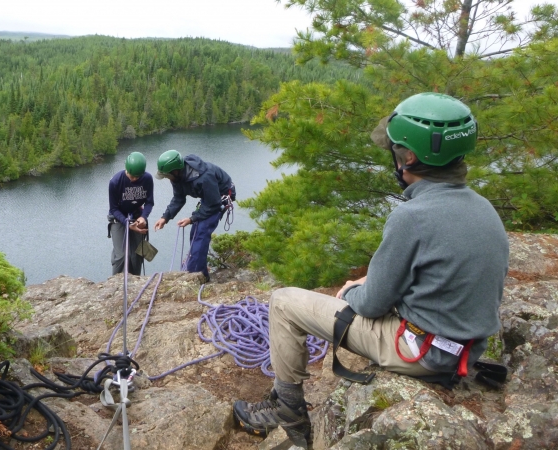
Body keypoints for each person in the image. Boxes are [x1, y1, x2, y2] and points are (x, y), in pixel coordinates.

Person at [232, 93, 509, 448]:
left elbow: (372, 304)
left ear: (409, 157)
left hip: (421, 354)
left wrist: (351, 290)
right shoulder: (483, 209)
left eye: (394, 150)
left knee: (283, 302)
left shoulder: (412, 216)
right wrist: (372, 281)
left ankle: (287, 409)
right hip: (464, 352)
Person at [153, 150, 235, 281]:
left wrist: (192, 219)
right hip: (208, 196)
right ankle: (199, 270)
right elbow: (179, 198)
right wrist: (165, 217)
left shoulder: (204, 177)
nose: (167, 178)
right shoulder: (177, 177)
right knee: (195, 232)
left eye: (167, 175)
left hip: (220, 196)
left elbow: (213, 204)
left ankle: (196, 275)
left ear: (175, 171)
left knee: (201, 232)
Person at [108, 152, 154, 276]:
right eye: (131, 175)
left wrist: (143, 217)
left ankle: (135, 282)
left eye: (137, 177)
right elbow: (113, 209)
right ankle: (114, 284)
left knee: (136, 256)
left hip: (137, 216)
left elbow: (149, 202)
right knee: (122, 256)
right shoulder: (115, 182)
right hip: (118, 218)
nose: (133, 179)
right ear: (126, 169)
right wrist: (127, 223)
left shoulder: (147, 179)